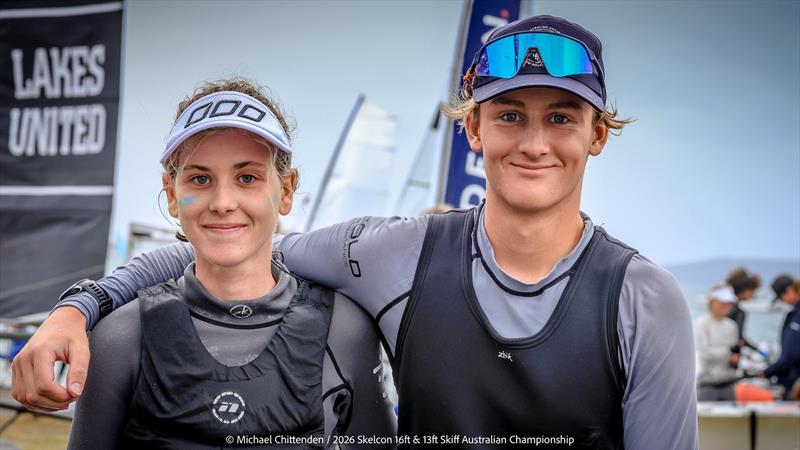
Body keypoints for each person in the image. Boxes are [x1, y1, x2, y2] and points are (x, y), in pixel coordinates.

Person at [13, 15, 698, 449]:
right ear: (473, 129)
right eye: (510, 114)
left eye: (562, 118)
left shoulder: (644, 299)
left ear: (597, 136)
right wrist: (78, 309)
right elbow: (226, 249)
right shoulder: (396, 253)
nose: (534, 143)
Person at [63, 79, 394, 448]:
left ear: (285, 190)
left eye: (247, 177)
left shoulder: (344, 328)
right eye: (200, 178)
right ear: (173, 194)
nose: (222, 202)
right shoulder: (121, 336)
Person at [694, 285, 740, 401]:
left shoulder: (731, 326)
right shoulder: (701, 324)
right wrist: (729, 352)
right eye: (723, 302)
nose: (727, 306)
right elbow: (705, 353)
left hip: (729, 383)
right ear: (712, 301)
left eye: (729, 303)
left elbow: (734, 354)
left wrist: (734, 356)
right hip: (707, 384)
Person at [761, 274, 800, 399]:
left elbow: (790, 355)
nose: (783, 301)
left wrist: (767, 372)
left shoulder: (797, 315)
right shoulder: (794, 312)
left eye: (782, 297)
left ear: (789, 290)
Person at [725, 267, 762, 351]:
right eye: (753, 291)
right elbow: (739, 338)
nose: (753, 295)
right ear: (745, 289)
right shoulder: (739, 312)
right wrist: (757, 349)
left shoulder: (725, 307)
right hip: (731, 356)